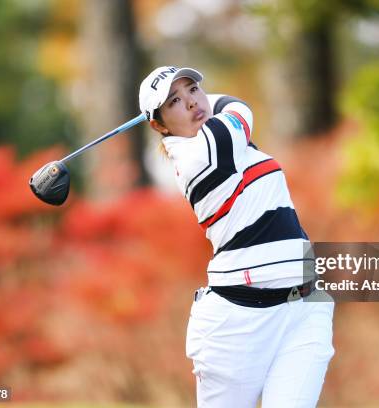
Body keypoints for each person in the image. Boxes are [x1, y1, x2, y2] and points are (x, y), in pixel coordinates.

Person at [139, 66, 334, 408]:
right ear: (159, 125)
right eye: (174, 101)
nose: (191, 103)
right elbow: (239, 106)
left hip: (304, 310)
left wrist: (179, 105)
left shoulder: (228, 142)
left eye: (193, 90)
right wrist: (200, 103)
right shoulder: (200, 154)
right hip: (238, 323)